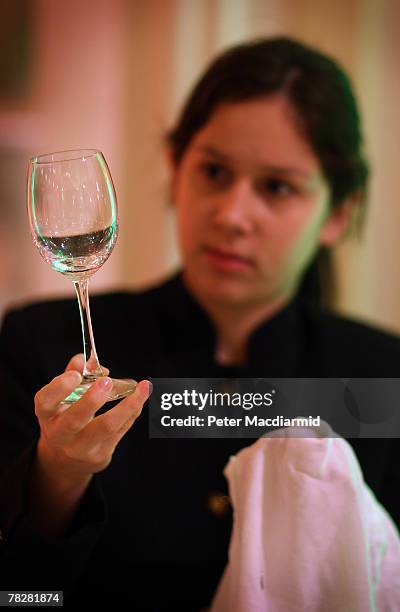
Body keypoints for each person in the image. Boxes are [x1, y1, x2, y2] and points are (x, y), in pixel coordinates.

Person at [1, 36, 400, 611]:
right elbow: (19, 596)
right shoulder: (44, 344)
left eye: (277, 187)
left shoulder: (379, 379)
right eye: (214, 171)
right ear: (175, 167)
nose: (233, 215)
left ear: (338, 213)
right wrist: (57, 477)